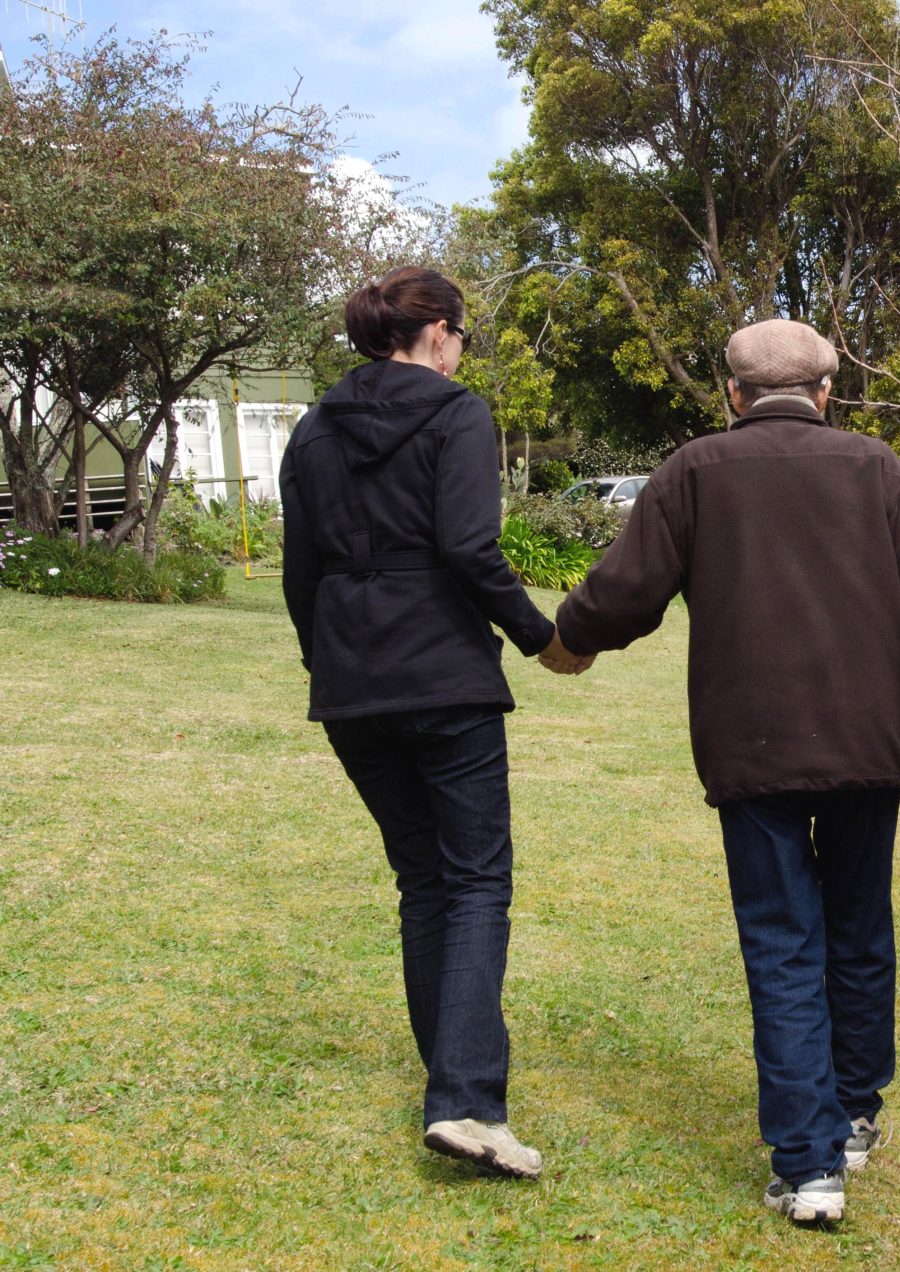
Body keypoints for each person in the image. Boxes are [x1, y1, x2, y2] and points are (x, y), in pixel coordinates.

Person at [551, 317, 900, 1224]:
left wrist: (569, 640)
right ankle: (852, 1115)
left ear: (732, 393)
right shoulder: (877, 468)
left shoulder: (694, 468)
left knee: (783, 944)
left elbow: (625, 592)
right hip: (868, 746)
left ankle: (812, 1164)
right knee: (858, 929)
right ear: (826, 392)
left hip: (753, 749)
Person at [280, 266, 586, 1179]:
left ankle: (452, 1090)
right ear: (441, 333)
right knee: (477, 880)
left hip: (352, 682)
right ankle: (465, 1102)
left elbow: (302, 573)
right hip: (444, 680)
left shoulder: (310, 428)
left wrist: (322, 657)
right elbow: (467, 547)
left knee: (425, 882)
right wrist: (541, 637)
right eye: (463, 336)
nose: (462, 351)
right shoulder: (457, 413)